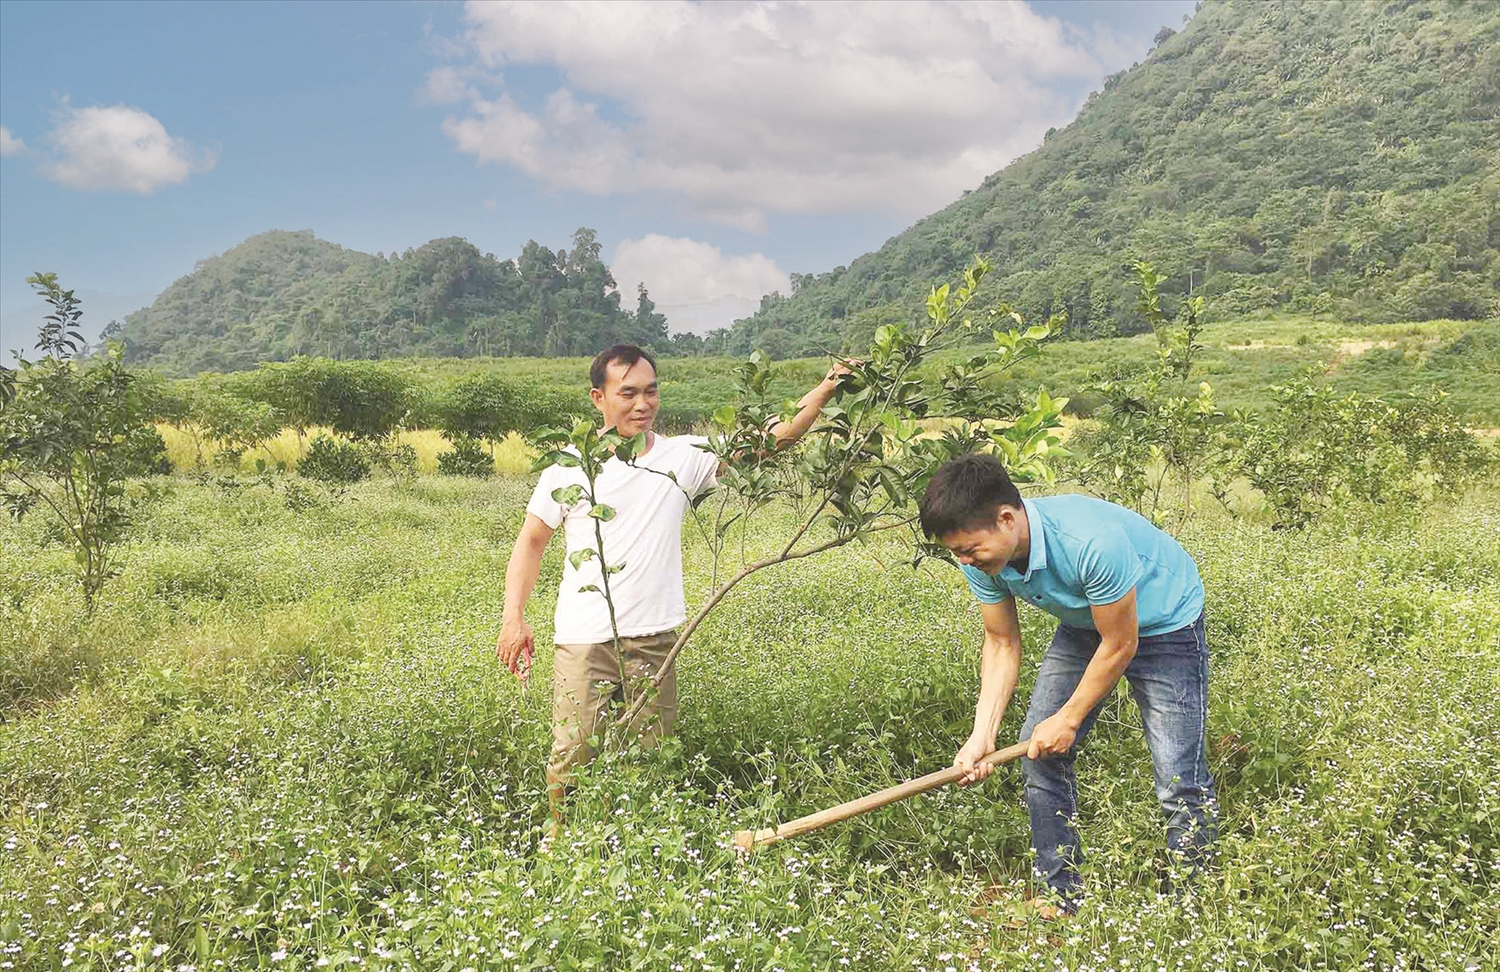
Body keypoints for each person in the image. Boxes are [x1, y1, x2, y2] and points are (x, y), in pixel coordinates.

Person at [497, 343, 849, 831]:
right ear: (598, 398)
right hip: (584, 636)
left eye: (651, 392)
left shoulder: (682, 456)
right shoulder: (568, 467)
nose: (643, 404)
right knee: (573, 752)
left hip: (656, 636)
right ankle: (565, 846)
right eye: (629, 394)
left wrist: (827, 387)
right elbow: (532, 541)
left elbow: (772, 438)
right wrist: (513, 616)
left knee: (652, 753)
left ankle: (643, 845)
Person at [919, 452, 1217, 917]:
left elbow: (1120, 643)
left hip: (1165, 624)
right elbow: (1000, 642)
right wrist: (981, 736)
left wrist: (1069, 718)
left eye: (970, 549)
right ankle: (1062, 894)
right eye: (956, 552)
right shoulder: (980, 559)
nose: (964, 561)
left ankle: (1193, 905)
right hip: (1086, 623)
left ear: (1006, 518)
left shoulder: (1090, 542)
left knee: (1177, 775)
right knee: (1037, 752)